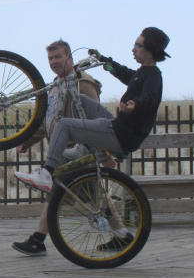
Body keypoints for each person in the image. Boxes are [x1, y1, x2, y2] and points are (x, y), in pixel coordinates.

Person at [15, 27, 170, 247]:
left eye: (138, 45)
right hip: (113, 128)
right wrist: (103, 61)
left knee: (66, 127)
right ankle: (120, 236)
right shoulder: (141, 73)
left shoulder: (153, 76)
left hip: (120, 135)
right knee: (87, 191)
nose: (133, 49)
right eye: (50, 58)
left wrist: (135, 105)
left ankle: (47, 178)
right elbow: (123, 73)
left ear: (151, 49)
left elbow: (151, 97)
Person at [11, 39, 104, 256]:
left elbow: (96, 117)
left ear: (69, 57)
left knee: (85, 197)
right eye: (50, 58)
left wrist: (101, 151)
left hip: (80, 151)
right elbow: (49, 120)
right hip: (61, 152)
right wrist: (28, 140)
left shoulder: (83, 83)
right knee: (67, 195)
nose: (54, 62)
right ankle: (38, 240)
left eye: (58, 57)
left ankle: (38, 240)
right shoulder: (55, 85)